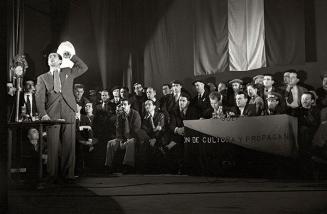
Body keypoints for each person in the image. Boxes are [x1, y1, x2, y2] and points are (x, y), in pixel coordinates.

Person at [35, 41, 88, 184]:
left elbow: (84, 67)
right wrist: (43, 114)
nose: (51, 58)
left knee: (69, 145)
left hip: (68, 111)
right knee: (52, 146)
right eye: (49, 57)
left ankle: (68, 175)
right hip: (51, 114)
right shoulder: (42, 78)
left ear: (59, 61)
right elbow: (39, 99)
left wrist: (71, 56)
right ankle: (52, 176)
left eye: (54, 56)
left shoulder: (68, 72)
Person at [105, 98, 141, 173]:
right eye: (122, 105)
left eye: (125, 104)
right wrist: (120, 139)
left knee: (130, 142)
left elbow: (136, 130)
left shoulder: (135, 114)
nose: (123, 106)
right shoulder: (120, 115)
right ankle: (108, 166)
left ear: (129, 105)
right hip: (122, 138)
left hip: (133, 138)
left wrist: (127, 139)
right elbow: (118, 130)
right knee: (110, 143)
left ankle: (128, 165)